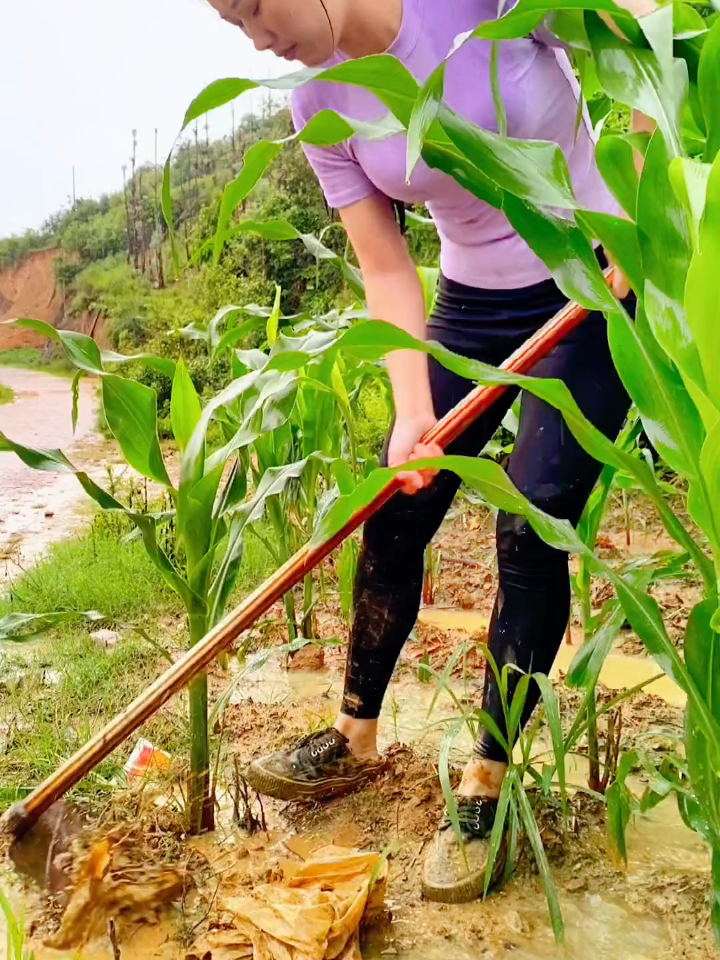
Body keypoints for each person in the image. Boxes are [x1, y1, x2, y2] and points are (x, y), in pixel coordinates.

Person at [205, 0, 640, 905]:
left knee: (531, 521)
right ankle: (354, 737)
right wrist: (413, 413)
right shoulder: (318, 105)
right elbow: (388, 267)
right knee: (395, 511)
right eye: (229, 19)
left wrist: (642, 216)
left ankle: (487, 778)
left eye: (254, 6)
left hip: (593, 283)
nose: (255, 37)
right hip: (473, 306)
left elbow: (636, 48)